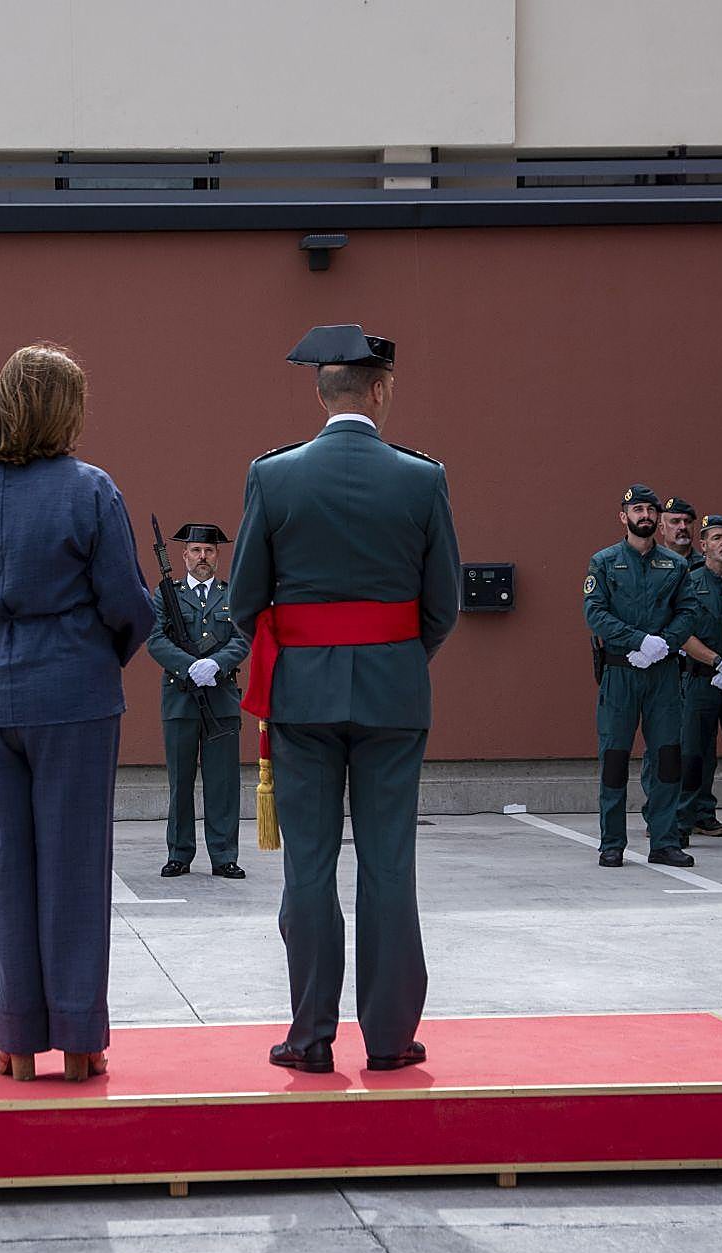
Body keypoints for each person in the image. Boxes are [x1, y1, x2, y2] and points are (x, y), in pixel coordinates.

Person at [0, 341, 154, 1082]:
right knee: (75, 863)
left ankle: (16, 1037)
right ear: (66, 409)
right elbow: (126, 603)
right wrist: (98, 653)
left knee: (8, 862)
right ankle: (79, 1039)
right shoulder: (89, 489)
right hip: (73, 688)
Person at [229, 323, 460, 1075]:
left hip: (302, 696)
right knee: (391, 864)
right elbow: (443, 606)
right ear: (381, 389)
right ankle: (391, 1039)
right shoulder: (423, 478)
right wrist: (392, 656)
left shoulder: (274, 475)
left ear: (318, 392)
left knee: (309, 865)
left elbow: (243, 599)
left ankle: (310, 1036)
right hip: (394, 693)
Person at [584, 484, 696, 869]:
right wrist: (637, 641)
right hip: (620, 672)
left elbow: (689, 611)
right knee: (615, 758)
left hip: (663, 673)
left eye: (650, 510)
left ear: (657, 518)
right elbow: (595, 614)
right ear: (624, 516)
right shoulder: (604, 562)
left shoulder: (676, 565)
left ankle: (664, 841)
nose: (644, 516)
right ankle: (611, 842)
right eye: (637, 510)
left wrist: (663, 643)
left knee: (667, 758)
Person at [147, 522, 250, 879]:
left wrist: (216, 664)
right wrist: (189, 666)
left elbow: (242, 637)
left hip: (220, 699)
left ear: (217, 556)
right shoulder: (167, 594)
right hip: (180, 699)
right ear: (184, 555)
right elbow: (155, 638)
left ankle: (223, 855)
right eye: (195, 551)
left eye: (208, 551)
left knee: (222, 782)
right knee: (181, 780)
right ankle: (179, 853)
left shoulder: (231, 593)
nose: (201, 557)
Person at [677, 513, 722, 844]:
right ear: (703, 545)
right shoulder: (689, 582)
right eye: (716, 538)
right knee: (693, 754)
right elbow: (682, 633)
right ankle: (684, 823)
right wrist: (717, 662)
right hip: (701, 679)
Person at [661, 496, 699, 562]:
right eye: (675, 521)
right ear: (662, 529)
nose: (683, 527)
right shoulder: (651, 563)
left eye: (687, 521)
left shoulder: (706, 565)